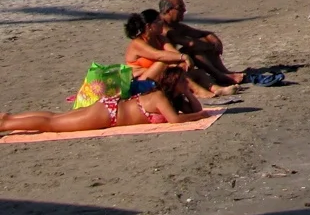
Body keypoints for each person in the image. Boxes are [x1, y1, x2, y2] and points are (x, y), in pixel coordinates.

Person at [1, 86, 204, 135]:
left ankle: (8, 118)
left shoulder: (160, 96)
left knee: (55, 118)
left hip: (108, 108)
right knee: (53, 124)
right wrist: (200, 116)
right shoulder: (159, 97)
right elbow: (175, 121)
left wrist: (188, 93)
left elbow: (193, 108)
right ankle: (6, 124)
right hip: (109, 114)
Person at [158, 0, 243, 88]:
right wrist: (211, 46)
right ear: (168, 10)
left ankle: (223, 71)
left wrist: (212, 37)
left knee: (203, 41)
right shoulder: (163, 27)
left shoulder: (174, 25)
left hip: (175, 59)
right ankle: (219, 75)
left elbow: (200, 33)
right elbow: (190, 43)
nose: (184, 10)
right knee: (194, 48)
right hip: (162, 65)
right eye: (180, 7)